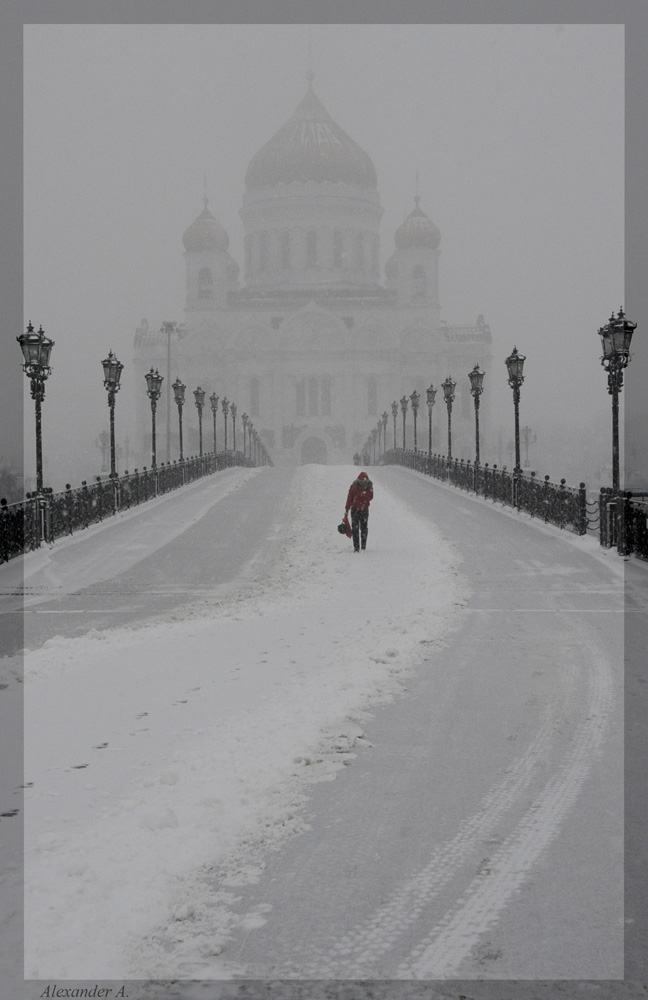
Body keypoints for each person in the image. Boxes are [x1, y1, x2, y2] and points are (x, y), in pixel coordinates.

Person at [345, 471, 374, 553]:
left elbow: (349, 498)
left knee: (355, 529)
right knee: (364, 528)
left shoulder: (354, 486)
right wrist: (364, 494)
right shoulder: (369, 486)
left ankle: (356, 547)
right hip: (364, 509)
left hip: (355, 510)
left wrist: (347, 509)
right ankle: (363, 546)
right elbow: (371, 497)